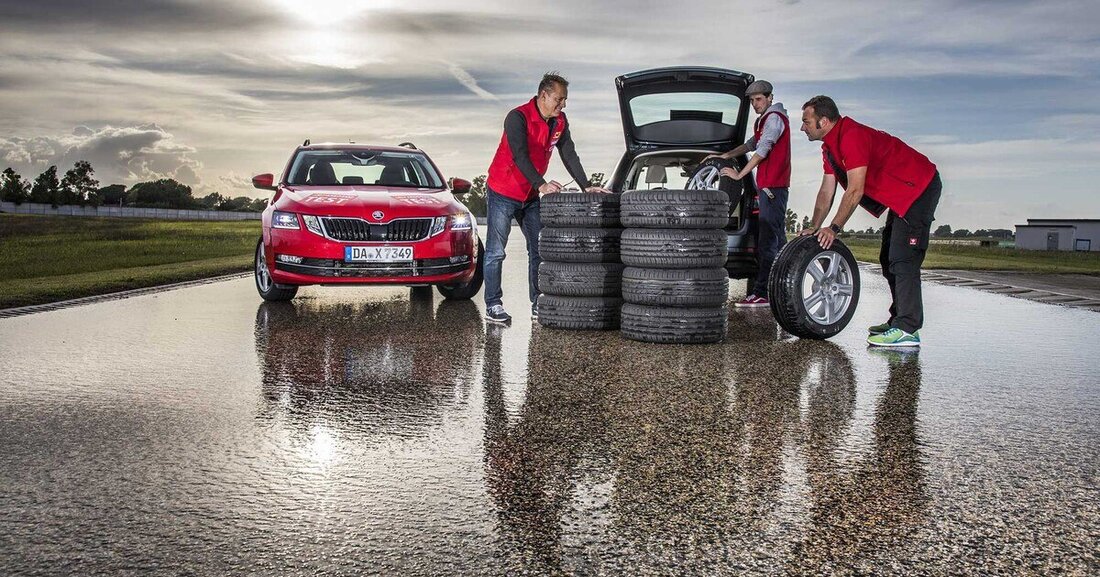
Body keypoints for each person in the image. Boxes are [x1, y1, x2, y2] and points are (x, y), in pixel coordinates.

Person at [798, 95, 942, 347]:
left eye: (806, 122)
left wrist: (833, 228)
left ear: (823, 121)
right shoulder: (830, 147)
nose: (802, 127)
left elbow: (855, 190)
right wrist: (815, 224)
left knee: (903, 257)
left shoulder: (851, 136)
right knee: (888, 258)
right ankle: (898, 320)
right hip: (902, 195)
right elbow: (826, 192)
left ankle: (907, 329)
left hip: (920, 187)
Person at [483, 72, 609, 324]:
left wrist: (586, 186)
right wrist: (541, 184)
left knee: (538, 250)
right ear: (544, 95)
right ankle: (493, 304)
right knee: (496, 252)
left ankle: (537, 302)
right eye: (559, 99)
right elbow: (519, 156)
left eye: (565, 100)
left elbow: (569, 153)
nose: (563, 105)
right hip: (503, 191)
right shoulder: (517, 117)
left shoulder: (559, 122)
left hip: (530, 195)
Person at [709, 79, 792, 308]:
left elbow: (762, 150)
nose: (755, 104)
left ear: (769, 98)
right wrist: (725, 157)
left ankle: (764, 293)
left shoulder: (774, 119)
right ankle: (781, 290)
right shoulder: (763, 121)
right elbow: (748, 146)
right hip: (768, 187)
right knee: (774, 241)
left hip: (773, 188)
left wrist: (738, 175)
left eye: (758, 100)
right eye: (752, 101)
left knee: (770, 244)